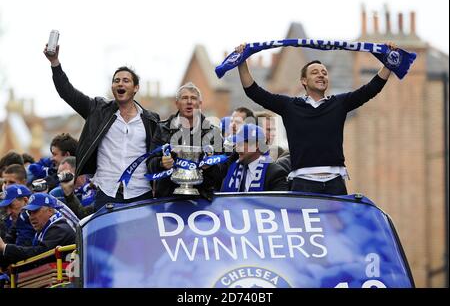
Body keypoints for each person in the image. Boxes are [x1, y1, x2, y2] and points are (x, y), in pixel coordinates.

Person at [234, 42, 396, 195]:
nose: (321, 75)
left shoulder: (339, 103)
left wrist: (389, 63)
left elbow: (370, 90)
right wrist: (242, 62)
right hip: (302, 183)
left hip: (335, 183)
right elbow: (254, 92)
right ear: (303, 81)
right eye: (315, 72)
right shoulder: (289, 105)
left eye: (324, 73)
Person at [44, 43, 160, 211]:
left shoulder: (151, 120)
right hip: (107, 193)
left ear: (136, 88)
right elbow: (67, 92)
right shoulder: (98, 110)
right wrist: (55, 62)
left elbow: (160, 154)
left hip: (141, 193)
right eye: (116, 81)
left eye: (126, 80)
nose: (120, 83)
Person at [147, 82, 223, 199]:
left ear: (200, 103)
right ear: (177, 103)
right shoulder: (162, 128)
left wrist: (210, 166)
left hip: (202, 199)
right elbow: (149, 163)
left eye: (193, 98)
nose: (189, 102)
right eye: (184, 98)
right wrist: (161, 162)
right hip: (167, 198)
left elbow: (223, 169)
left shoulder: (214, 132)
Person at [0, 193, 76, 267]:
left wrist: (5, 247)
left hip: (71, 277)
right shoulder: (42, 230)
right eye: (29, 213)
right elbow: (28, 249)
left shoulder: (59, 228)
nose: (31, 217)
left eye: (35, 211)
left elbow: (39, 253)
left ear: (50, 210)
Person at [221, 124, 289, 192]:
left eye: (240, 144)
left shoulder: (275, 173)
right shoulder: (230, 165)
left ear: (256, 145)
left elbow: (279, 201)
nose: (237, 149)